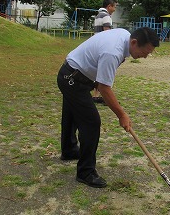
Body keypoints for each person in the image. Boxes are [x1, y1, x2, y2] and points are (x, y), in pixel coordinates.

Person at [57, 27, 160, 188]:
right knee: (91, 122)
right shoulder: (113, 52)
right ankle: (86, 172)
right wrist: (121, 115)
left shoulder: (125, 36)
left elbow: (102, 81)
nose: (145, 56)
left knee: (72, 113)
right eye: (145, 52)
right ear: (134, 42)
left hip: (74, 75)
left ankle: (69, 150)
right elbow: (104, 88)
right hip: (72, 79)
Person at [92, 0, 118, 103]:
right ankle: (105, 96)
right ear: (109, 6)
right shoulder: (107, 17)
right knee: (104, 72)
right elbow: (107, 32)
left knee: (98, 71)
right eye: (114, 7)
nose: (115, 9)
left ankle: (96, 94)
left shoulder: (98, 15)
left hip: (96, 45)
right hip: (103, 47)